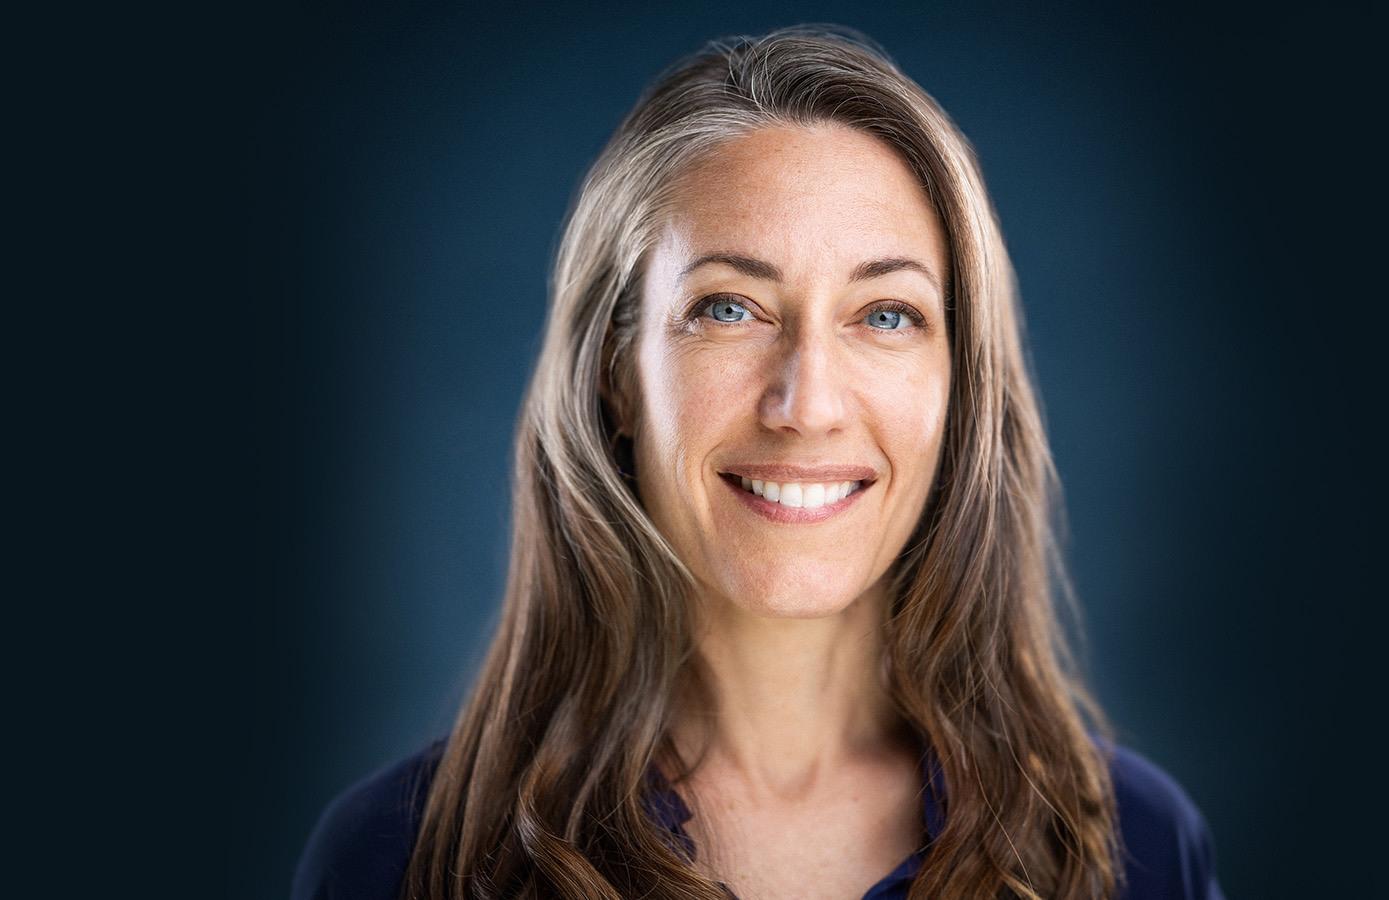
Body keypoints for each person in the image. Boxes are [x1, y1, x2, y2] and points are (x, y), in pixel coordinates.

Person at [293, 24, 1224, 900]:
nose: (807, 404)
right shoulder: (397, 860)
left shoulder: (1132, 851)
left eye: (887, 316)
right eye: (729, 309)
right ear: (615, 375)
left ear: (960, 389)